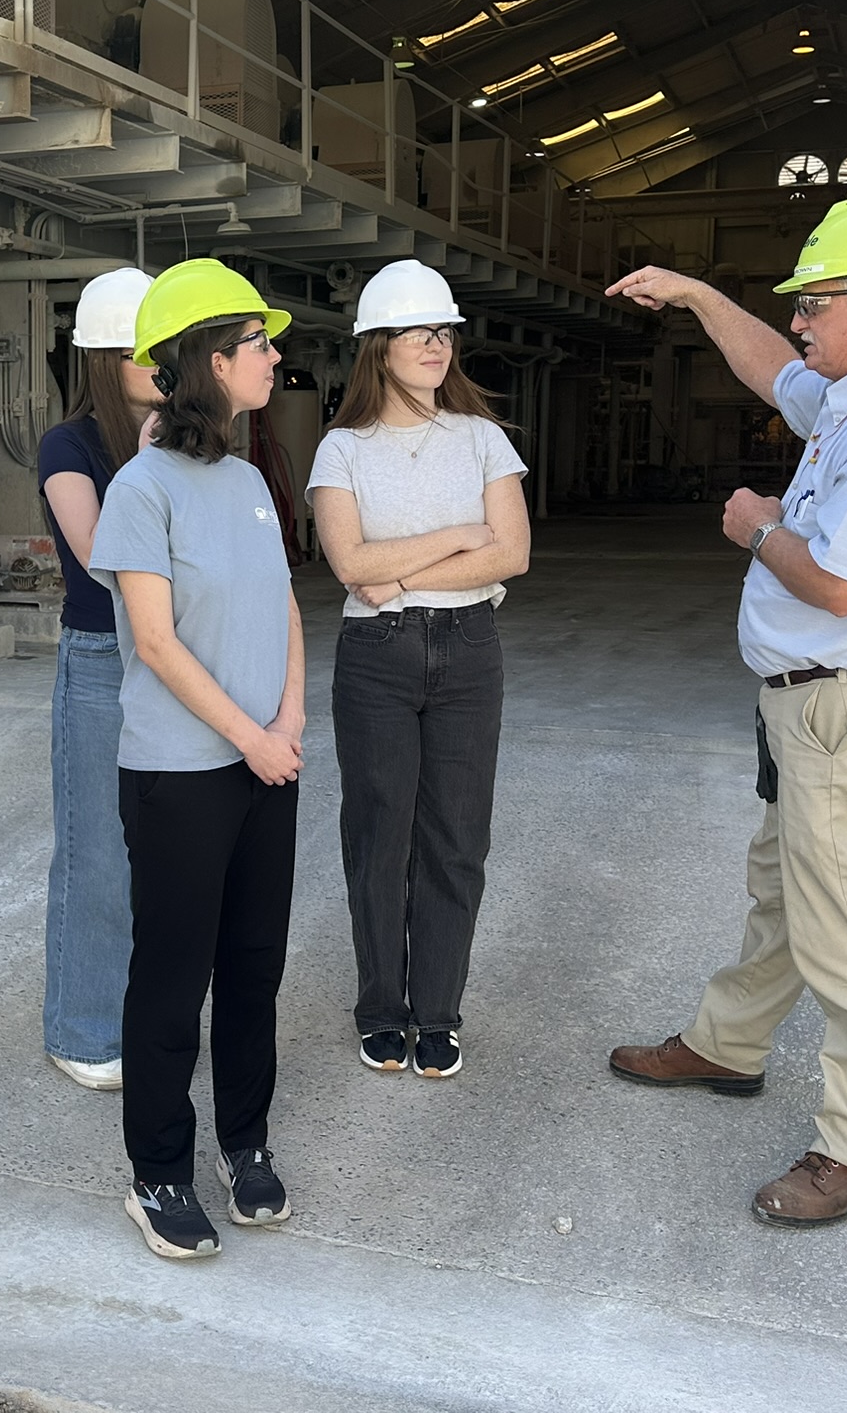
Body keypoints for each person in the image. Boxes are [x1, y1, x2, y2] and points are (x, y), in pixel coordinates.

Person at [604, 196, 847, 1228]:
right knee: (786, 890)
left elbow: (838, 587)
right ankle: (726, 1045)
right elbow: (769, 368)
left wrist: (754, 526)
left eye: (812, 303)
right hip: (812, 706)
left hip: (846, 710)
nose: (800, 320)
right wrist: (691, 295)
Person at [89, 258, 306, 1260]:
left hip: (267, 762)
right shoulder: (139, 489)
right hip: (182, 771)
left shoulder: (251, 479)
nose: (273, 356)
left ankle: (244, 1142)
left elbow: (285, 607)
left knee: (253, 966)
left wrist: (289, 720)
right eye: (257, 344)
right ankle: (157, 1171)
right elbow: (157, 642)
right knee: (173, 975)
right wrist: (251, 737)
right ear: (211, 361)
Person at [307, 260, 530, 1080]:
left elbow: (514, 552)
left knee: (455, 840)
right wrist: (458, 536)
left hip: (469, 651)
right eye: (417, 333)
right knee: (378, 839)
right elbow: (346, 562)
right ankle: (380, 1010)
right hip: (377, 660)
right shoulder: (342, 450)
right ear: (378, 347)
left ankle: (437, 1013)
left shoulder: (481, 437)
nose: (436, 346)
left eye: (444, 333)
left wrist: (397, 575)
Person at [37, 265, 159, 1092]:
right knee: (97, 852)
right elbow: (100, 557)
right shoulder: (69, 445)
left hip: (175, 653)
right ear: (107, 359)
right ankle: (80, 1027)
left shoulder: (188, 435)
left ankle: (145, 1014)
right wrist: (152, 462)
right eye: (147, 350)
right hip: (100, 657)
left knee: (164, 850)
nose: (165, 363)